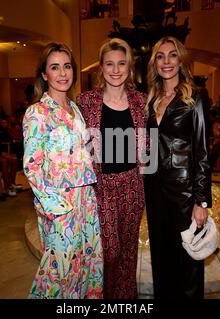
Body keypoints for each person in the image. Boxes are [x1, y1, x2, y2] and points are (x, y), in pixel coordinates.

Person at [22, 42, 103, 299]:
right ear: (44, 74)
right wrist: (55, 208)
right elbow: (32, 166)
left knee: (86, 267)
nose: (62, 73)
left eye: (67, 66)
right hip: (60, 204)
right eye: (54, 67)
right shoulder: (37, 113)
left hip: (86, 202)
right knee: (59, 273)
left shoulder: (75, 108)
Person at [77, 38, 146, 299]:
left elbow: (149, 143)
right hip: (101, 186)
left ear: (129, 67)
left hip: (133, 185)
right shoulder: (86, 102)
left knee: (128, 253)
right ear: (101, 67)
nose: (115, 70)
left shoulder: (141, 101)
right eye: (109, 64)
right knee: (107, 251)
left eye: (121, 63)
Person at [144, 36, 212, 299]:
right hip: (154, 189)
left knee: (188, 258)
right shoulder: (151, 99)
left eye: (172, 55)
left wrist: (202, 200)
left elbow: (203, 150)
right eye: (160, 56)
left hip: (184, 192)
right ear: (155, 63)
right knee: (160, 254)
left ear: (181, 60)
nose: (166, 62)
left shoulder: (196, 97)